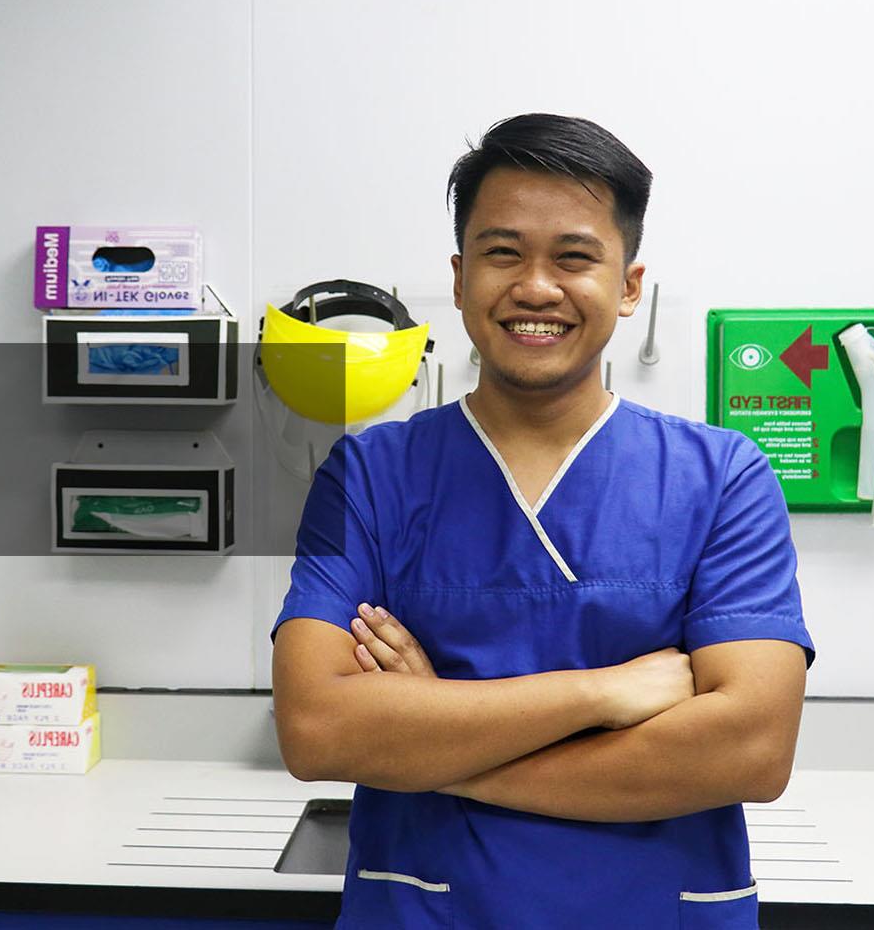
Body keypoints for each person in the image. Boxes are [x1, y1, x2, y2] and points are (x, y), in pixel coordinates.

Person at [270, 113, 814, 929]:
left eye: (574, 257)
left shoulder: (721, 479)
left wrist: (437, 742)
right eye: (502, 253)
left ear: (628, 285)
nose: (535, 287)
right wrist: (603, 693)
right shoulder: (370, 478)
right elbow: (317, 729)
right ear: (460, 280)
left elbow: (752, 750)